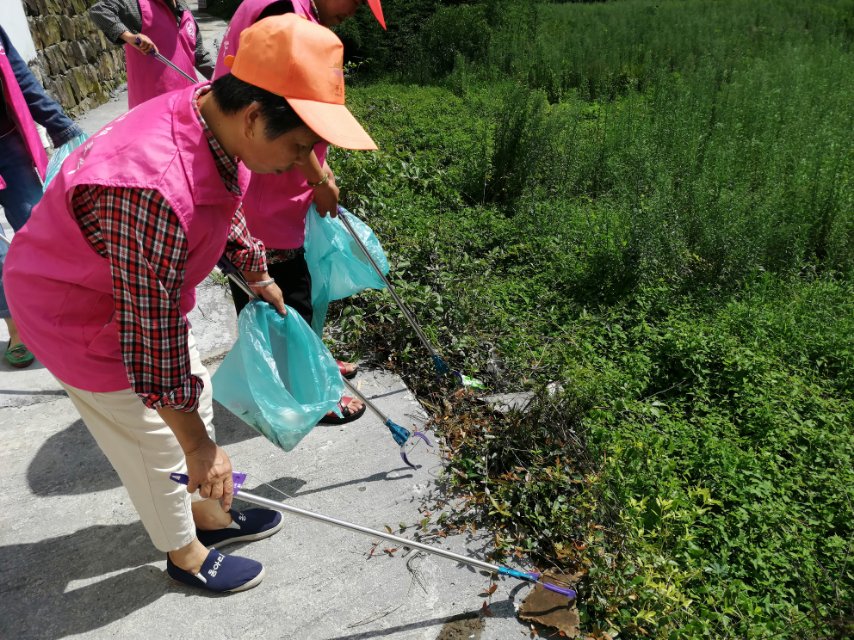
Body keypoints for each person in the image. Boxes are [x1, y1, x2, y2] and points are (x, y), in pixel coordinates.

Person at [5, 14, 376, 593]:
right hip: (74, 308)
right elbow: (147, 332)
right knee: (158, 443)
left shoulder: (210, 116)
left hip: (133, 290)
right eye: (299, 145)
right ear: (254, 115)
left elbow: (223, 201)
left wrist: (255, 271)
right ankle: (184, 553)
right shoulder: (152, 187)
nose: (302, 161)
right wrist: (198, 448)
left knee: (191, 400)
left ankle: (208, 516)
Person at [214, 0, 386, 425]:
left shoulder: (296, 14)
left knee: (295, 290)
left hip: (278, 190)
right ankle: (306, 391)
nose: (356, 10)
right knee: (284, 297)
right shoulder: (279, 15)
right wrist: (318, 177)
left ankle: (310, 364)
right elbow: (279, 112)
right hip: (264, 197)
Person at [0, 24, 84, 368]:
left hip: (6, 144)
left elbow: (17, 73)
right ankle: (16, 327)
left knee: (39, 228)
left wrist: (60, 125)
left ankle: (68, 312)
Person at [90, 0, 216, 108]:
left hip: (188, 103)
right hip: (153, 111)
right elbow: (99, 11)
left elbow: (199, 55)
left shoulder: (183, 9)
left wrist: (226, 80)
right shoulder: (136, 5)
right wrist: (129, 36)